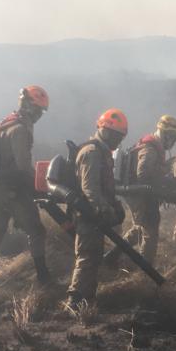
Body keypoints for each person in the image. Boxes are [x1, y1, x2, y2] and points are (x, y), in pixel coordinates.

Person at [0, 86, 50, 283]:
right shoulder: (19, 130)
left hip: (2, 188)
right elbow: (24, 166)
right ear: (28, 106)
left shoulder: (6, 124)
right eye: (38, 110)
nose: (39, 115)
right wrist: (39, 186)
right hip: (16, 189)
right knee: (36, 231)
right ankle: (43, 277)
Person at [65, 109, 129, 314]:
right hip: (87, 214)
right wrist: (105, 209)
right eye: (117, 136)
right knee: (87, 257)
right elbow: (90, 188)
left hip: (93, 213)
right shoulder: (92, 152)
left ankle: (88, 299)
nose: (118, 142)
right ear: (106, 131)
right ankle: (74, 302)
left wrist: (113, 206)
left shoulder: (102, 152)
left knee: (93, 256)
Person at [118, 115, 176, 265]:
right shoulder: (150, 148)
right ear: (164, 134)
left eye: (174, 138)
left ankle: (115, 254)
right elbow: (143, 174)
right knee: (150, 231)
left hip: (141, 193)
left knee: (140, 227)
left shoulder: (155, 146)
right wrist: (167, 181)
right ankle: (145, 267)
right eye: (171, 137)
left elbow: (152, 172)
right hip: (140, 194)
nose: (172, 141)